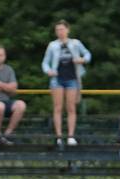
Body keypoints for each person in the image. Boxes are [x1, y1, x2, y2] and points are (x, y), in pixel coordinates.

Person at [41, 19, 91, 147]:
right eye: (58, 30)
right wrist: (49, 71)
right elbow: (45, 62)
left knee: (71, 108)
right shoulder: (52, 45)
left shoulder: (75, 43)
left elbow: (87, 54)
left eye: (62, 29)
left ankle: (70, 136)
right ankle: (58, 136)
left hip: (72, 78)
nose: (60, 32)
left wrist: (82, 59)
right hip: (57, 79)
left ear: (68, 30)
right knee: (58, 108)